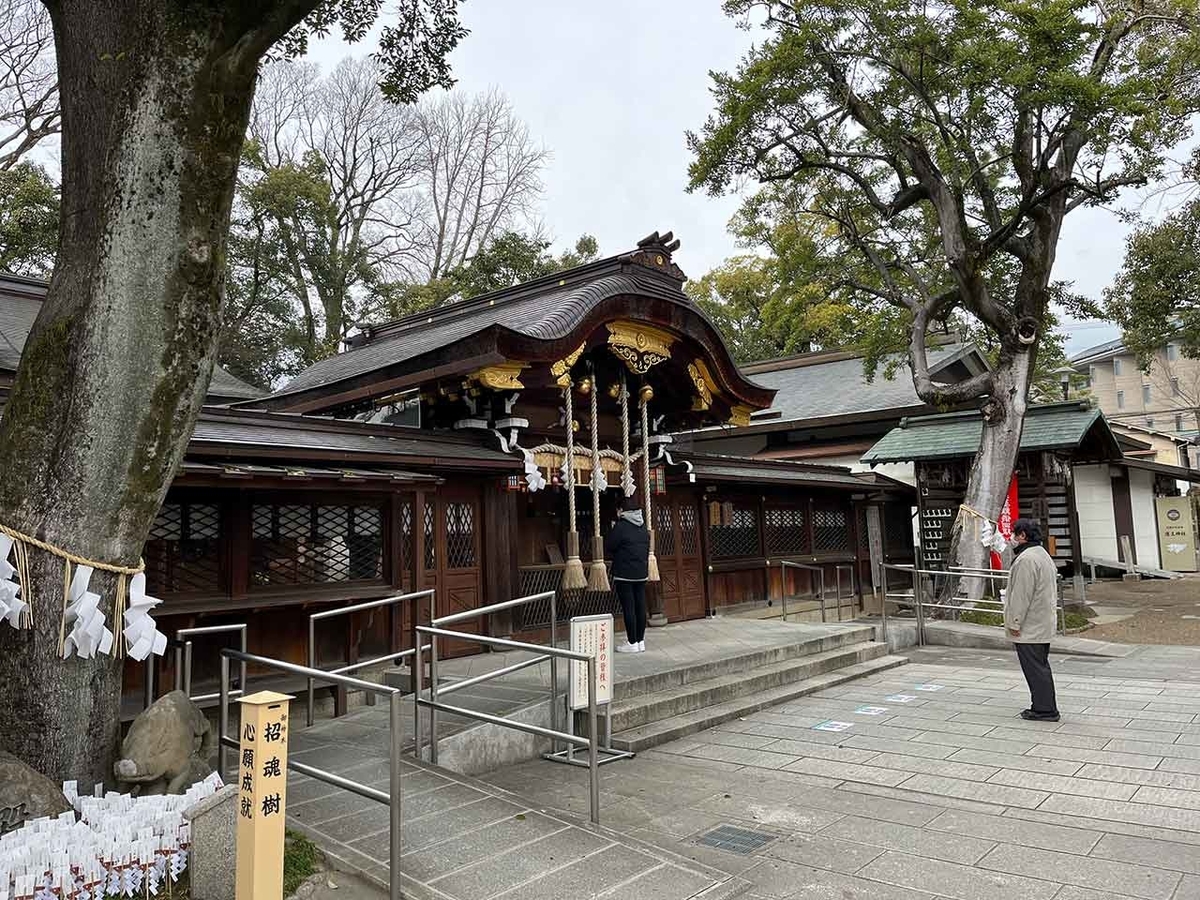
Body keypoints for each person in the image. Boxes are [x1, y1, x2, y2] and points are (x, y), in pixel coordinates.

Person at [1005, 517, 1060, 721]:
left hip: (1030, 625)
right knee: (1040, 666)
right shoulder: (1042, 555)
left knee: (1035, 668)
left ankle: (1045, 709)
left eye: (1014, 534)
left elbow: (1021, 595)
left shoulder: (1026, 559)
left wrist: (1014, 623)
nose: (1012, 538)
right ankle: (1042, 705)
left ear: (1022, 535)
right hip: (1042, 621)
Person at [606, 494, 650, 653]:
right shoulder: (643, 526)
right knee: (640, 606)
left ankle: (632, 642)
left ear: (622, 510)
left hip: (624, 572)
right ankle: (640, 641)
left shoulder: (621, 526)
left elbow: (610, 546)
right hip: (641, 571)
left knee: (629, 607)